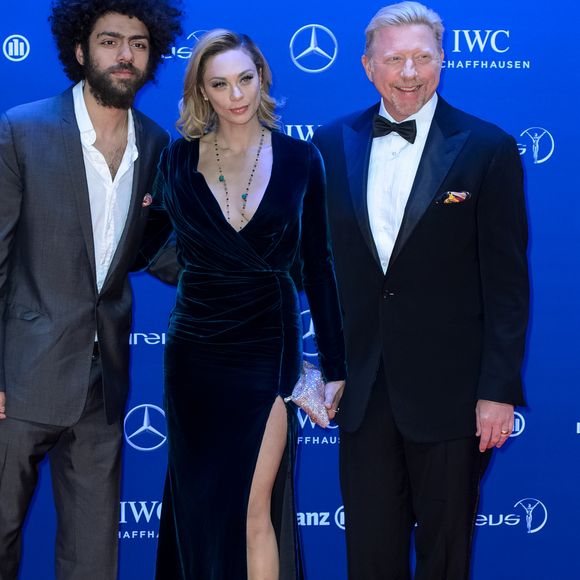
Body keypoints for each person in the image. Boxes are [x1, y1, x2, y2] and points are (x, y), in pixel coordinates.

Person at [312, 2, 529, 579]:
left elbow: (508, 286)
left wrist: (498, 391)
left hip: (454, 396)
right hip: (364, 390)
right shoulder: (332, 143)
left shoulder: (487, 147)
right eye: (395, 59)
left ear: (442, 61)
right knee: (371, 555)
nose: (409, 72)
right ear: (367, 66)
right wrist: (325, 364)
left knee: (445, 554)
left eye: (422, 58)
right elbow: (318, 266)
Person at [153, 29, 346, 580]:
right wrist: (202, 266)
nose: (236, 94)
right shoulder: (176, 160)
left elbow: (319, 266)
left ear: (261, 76)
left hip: (267, 351)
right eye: (220, 84)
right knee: (201, 508)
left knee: (253, 509)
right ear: (202, 93)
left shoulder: (300, 158)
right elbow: (145, 244)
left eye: (245, 78)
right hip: (193, 354)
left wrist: (335, 365)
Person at [0, 1, 182, 578]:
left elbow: (162, 252)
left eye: (138, 43)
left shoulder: (157, 145)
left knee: (92, 557)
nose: (124, 54)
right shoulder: (22, 129)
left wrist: (260, 265)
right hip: (20, 380)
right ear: (80, 51)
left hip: (104, 386)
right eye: (109, 41)